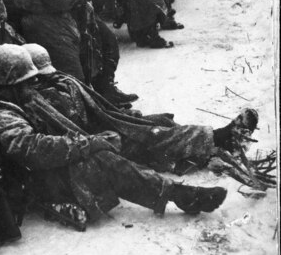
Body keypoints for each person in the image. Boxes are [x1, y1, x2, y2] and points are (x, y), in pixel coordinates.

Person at [0, 44, 228, 228]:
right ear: (9, 85)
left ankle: (210, 141)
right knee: (103, 159)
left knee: (140, 133)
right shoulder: (4, 114)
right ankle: (178, 194)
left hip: (60, 162)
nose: (32, 87)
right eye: (26, 83)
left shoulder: (20, 101)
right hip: (44, 180)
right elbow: (32, 148)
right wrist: (91, 142)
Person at [23, 43, 259, 173]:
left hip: (108, 126)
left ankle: (206, 149)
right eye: (37, 78)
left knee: (161, 123)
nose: (44, 80)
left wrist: (125, 117)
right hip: (99, 141)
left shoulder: (60, 83)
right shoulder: (38, 102)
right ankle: (219, 138)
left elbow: (98, 108)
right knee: (155, 136)